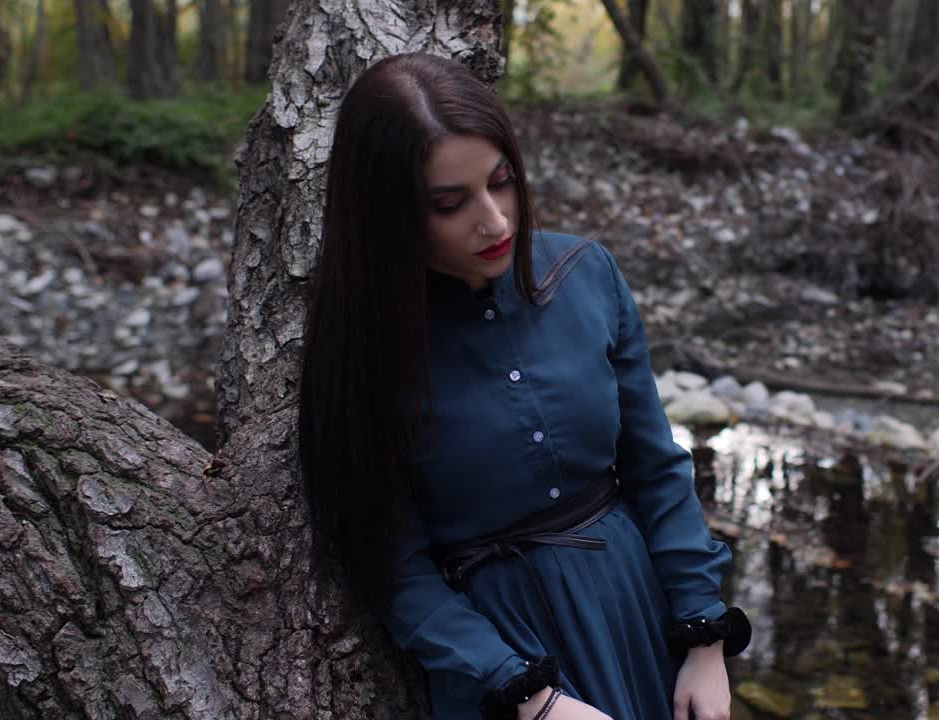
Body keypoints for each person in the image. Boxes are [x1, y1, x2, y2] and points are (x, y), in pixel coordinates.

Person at [297, 52, 750, 720]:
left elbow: (655, 468)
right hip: (498, 659)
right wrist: (529, 698)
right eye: (450, 204)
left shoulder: (587, 274)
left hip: (635, 611)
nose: (496, 221)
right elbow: (391, 568)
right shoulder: (361, 350)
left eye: (501, 182)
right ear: (387, 213)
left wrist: (704, 638)